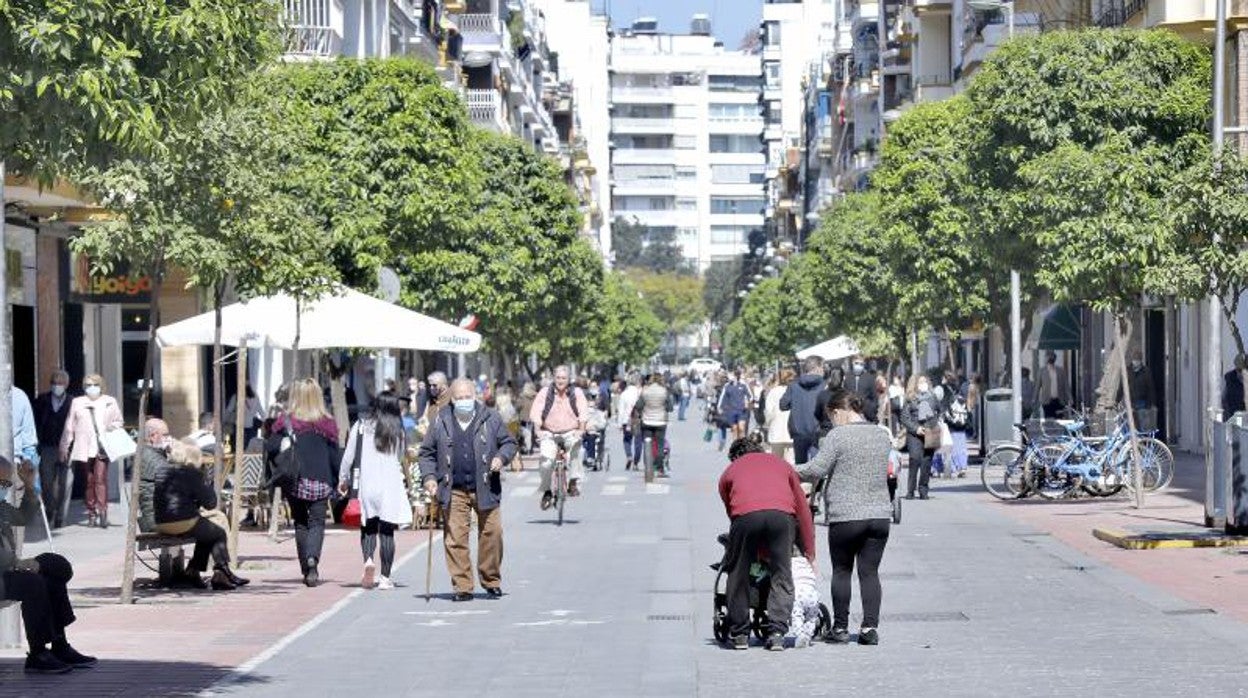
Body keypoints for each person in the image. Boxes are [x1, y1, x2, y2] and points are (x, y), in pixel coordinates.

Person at [796, 390, 893, 645]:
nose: (832, 422)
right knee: (870, 573)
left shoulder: (838, 436)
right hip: (880, 515)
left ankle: (839, 629)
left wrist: (786, 470)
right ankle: (869, 629)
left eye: (832, 416)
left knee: (842, 571)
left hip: (846, 515)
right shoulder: (882, 434)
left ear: (839, 411)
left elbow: (816, 469)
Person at [419, 379, 516, 601]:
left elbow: (509, 443)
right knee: (455, 538)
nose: (464, 401)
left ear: (475, 396)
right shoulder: (441, 419)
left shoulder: (490, 417)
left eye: (467, 397)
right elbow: (426, 453)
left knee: (493, 533)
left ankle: (490, 579)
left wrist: (501, 458)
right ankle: (462, 585)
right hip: (453, 487)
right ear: (452, 399)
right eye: (459, 397)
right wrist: (430, 478)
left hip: (486, 484)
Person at [717, 438, 816, 651]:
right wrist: (809, 551)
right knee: (782, 573)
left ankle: (740, 634)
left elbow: (733, 512)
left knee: (738, 573)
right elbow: (803, 511)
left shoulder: (729, 471)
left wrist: (752, 549)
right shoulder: (781, 464)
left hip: (745, 518)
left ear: (734, 458)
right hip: (782, 517)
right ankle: (777, 633)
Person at [0, 456, 96, 673]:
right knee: (32, 583)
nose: (4, 489)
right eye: (1, 484)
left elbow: (24, 516)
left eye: (6, 484)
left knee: (55, 567)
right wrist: (18, 563)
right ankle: (38, 653)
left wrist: (30, 486)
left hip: (7, 572)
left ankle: (59, 644)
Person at [150, 419, 249, 591]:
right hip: (182, 521)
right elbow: (211, 503)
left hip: (161, 522)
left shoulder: (162, 470)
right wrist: (206, 482)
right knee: (217, 533)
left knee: (206, 532)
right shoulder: (192, 473)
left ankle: (194, 571)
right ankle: (222, 572)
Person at [267, 378, 340, 587]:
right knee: (317, 522)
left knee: (300, 522)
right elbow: (334, 456)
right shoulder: (327, 422)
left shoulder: (286, 421)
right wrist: (337, 480)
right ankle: (313, 559)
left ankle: (305, 568)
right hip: (321, 479)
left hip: (296, 479)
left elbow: (270, 447)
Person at [339, 393, 412, 591]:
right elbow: (401, 457)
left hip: (367, 484)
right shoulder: (398, 431)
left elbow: (348, 457)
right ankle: (386, 577)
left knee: (368, 527)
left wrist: (343, 479)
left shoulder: (361, 426)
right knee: (387, 531)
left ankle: (368, 560)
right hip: (390, 485)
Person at [58, 374, 123, 528]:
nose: (91, 388)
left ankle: (103, 511)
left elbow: (119, 421)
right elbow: (69, 426)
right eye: (87, 385)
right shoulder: (77, 402)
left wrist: (110, 427)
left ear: (101, 385)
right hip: (84, 446)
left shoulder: (109, 401)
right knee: (89, 481)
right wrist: (64, 446)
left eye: (94, 384)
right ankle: (91, 512)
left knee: (100, 478)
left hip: (102, 446)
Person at [530, 366, 589, 506]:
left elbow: (583, 412)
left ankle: (573, 481)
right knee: (546, 463)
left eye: (564, 378)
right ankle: (547, 491)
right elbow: (536, 412)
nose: (560, 381)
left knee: (577, 449)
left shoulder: (576, 392)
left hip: (570, 431)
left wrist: (581, 429)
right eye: (558, 378)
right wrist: (538, 430)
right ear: (553, 378)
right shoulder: (545, 393)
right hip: (549, 432)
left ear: (569, 380)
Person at [34, 371, 73, 528]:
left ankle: (60, 516)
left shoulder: (72, 402)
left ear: (66, 385)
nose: (58, 386)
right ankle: (50, 509)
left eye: (61, 383)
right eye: (55, 383)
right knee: (47, 482)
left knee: (65, 483)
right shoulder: (42, 400)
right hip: (47, 447)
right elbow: (36, 421)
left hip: (67, 448)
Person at [899, 374, 942, 500]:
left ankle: (923, 490)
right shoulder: (910, 399)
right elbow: (904, 418)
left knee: (926, 462)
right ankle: (910, 490)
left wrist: (933, 423)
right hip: (914, 433)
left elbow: (939, 411)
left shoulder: (933, 397)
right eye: (920, 382)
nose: (923, 385)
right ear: (915, 385)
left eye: (925, 382)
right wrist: (916, 428)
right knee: (915, 459)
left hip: (930, 432)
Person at [781, 356, 826, 465]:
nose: (824, 370)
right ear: (817, 368)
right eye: (823, 367)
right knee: (818, 467)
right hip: (818, 431)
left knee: (800, 467)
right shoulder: (824, 385)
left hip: (798, 431)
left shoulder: (793, 385)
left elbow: (783, 405)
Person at [637, 372, 672, 477]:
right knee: (660, 445)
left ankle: (648, 467)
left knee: (647, 444)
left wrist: (642, 412)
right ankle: (660, 469)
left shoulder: (645, 391)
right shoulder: (664, 391)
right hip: (660, 421)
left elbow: (638, 405)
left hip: (646, 420)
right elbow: (670, 407)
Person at [786, 551, 823, 649]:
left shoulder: (789, 562)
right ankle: (808, 635)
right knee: (811, 618)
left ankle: (800, 635)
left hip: (798, 594)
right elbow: (815, 573)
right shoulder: (808, 561)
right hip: (812, 595)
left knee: (796, 616)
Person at [764, 369, 794, 463]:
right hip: (791, 432)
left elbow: (768, 412)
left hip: (776, 431)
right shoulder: (795, 391)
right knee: (791, 463)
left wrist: (768, 424)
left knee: (776, 463)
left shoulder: (773, 392)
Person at [844, 357, 878, 426]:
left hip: (866, 414)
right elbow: (844, 394)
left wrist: (871, 409)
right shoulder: (847, 377)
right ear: (852, 363)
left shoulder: (869, 378)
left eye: (861, 364)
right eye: (856, 363)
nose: (858, 366)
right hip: (850, 412)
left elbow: (874, 397)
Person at [1036, 351, 1070, 418]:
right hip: (1047, 400)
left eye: (1052, 357)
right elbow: (1037, 386)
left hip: (1059, 400)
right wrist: (1034, 399)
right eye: (1048, 357)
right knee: (1048, 420)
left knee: (1059, 419)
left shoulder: (1061, 371)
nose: (1050, 358)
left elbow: (1066, 386)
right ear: (1046, 359)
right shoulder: (1042, 371)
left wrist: (1070, 398)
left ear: (1055, 359)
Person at [1224, 355, 1247, 420]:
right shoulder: (1228, 379)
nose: (1242, 373)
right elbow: (1224, 401)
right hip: (1232, 418)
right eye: (1240, 370)